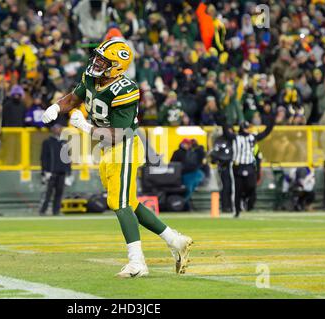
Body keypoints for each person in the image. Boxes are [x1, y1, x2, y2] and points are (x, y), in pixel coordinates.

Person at [41, 39, 192, 277]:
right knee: (129, 203)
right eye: (98, 58)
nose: (97, 63)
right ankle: (175, 240)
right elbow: (74, 97)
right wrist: (56, 107)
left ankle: (137, 262)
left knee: (119, 203)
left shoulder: (126, 89)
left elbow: (120, 134)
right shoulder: (92, 77)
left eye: (104, 61)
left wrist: (87, 128)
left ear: (117, 67)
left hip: (124, 146)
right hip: (108, 148)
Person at [218, 114, 275, 218]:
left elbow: (265, 133)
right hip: (238, 166)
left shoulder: (252, 137)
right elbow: (226, 132)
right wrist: (224, 122)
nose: (248, 130)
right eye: (246, 128)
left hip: (249, 165)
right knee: (237, 190)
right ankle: (237, 211)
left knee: (251, 186)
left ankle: (245, 201)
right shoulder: (235, 138)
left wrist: (271, 123)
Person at [39, 124, 72, 216]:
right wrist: (45, 171)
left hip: (62, 172)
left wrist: (69, 173)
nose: (59, 130)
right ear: (52, 130)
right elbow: (44, 157)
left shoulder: (65, 143)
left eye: (60, 129)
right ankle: (43, 211)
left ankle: (56, 211)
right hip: (51, 172)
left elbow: (68, 159)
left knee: (59, 193)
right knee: (47, 193)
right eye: (57, 129)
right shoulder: (47, 142)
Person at [170, 138, 206, 210]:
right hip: (183, 174)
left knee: (190, 188)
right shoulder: (179, 153)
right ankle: (181, 204)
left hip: (188, 174)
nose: (188, 146)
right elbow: (173, 164)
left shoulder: (190, 152)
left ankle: (182, 204)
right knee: (189, 189)